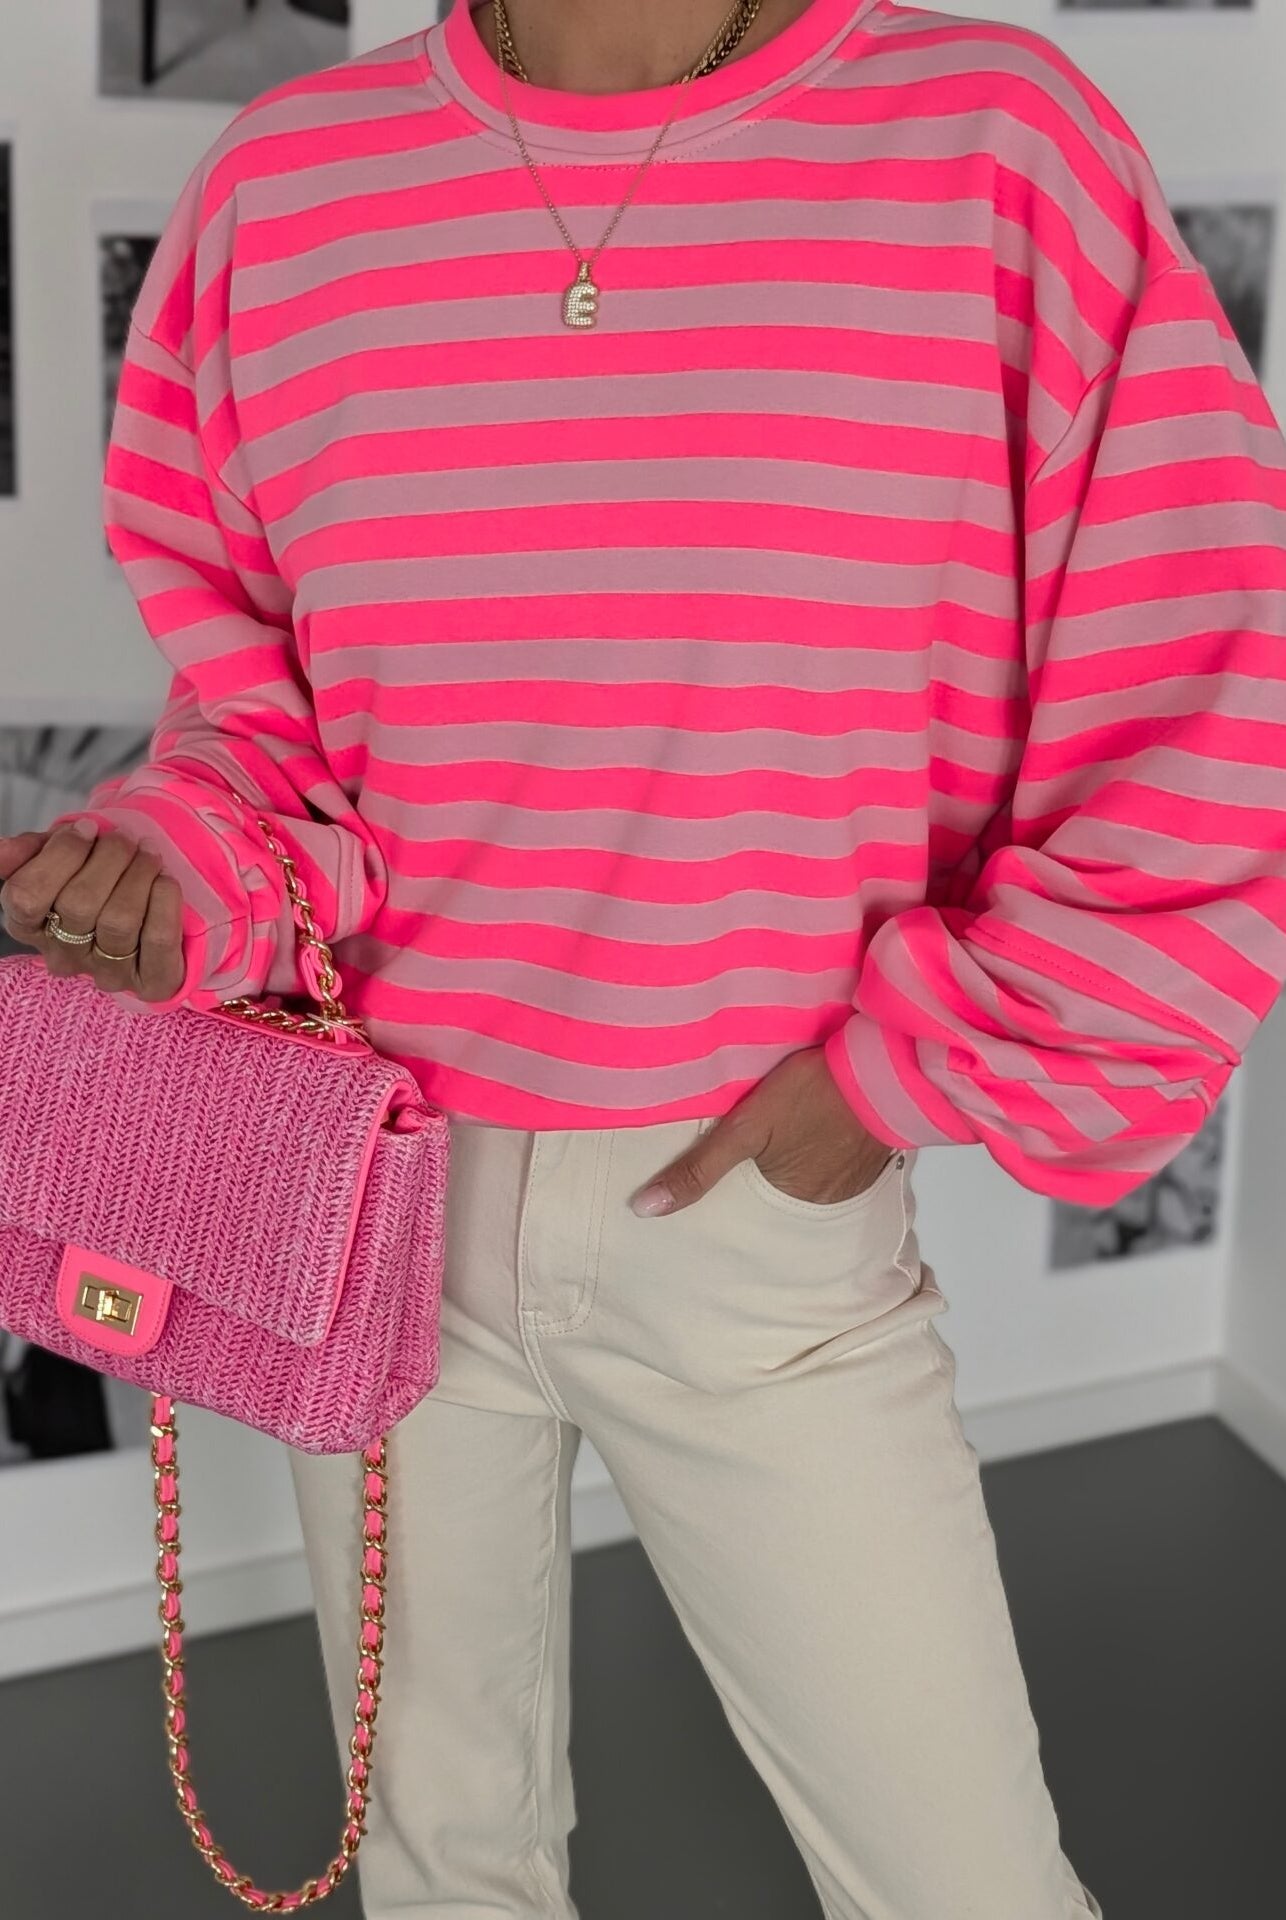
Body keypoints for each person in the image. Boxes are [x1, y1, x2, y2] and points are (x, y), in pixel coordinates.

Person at [4, 0, 1285, 1912]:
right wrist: (178, 871)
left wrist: (899, 1080)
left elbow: (1198, 676)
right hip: (362, 1192)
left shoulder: (988, 146)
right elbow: (261, 721)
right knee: (443, 1870)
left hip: (751, 1202)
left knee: (968, 1889)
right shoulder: (288, 191)